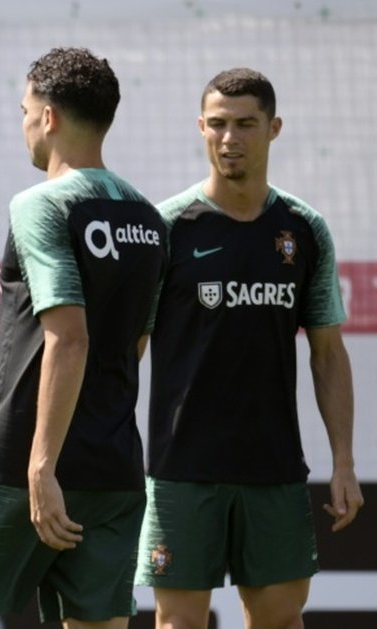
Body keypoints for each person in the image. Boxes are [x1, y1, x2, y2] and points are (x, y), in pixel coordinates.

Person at [0, 47, 166, 629]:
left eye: (25, 110)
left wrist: (39, 461)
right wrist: (16, 404)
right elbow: (126, 348)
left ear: (48, 117)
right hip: (112, 469)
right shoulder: (150, 220)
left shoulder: (41, 205)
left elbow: (70, 340)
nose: (24, 125)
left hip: (26, 465)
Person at [134, 67, 365, 628]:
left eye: (245, 124)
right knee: (178, 623)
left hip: (273, 468)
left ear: (274, 128)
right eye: (217, 125)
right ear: (200, 127)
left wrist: (343, 462)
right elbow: (127, 349)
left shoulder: (303, 229)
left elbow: (328, 354)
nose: (229, 138)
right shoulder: (166, 228)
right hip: (181, 471)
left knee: (280, 620)